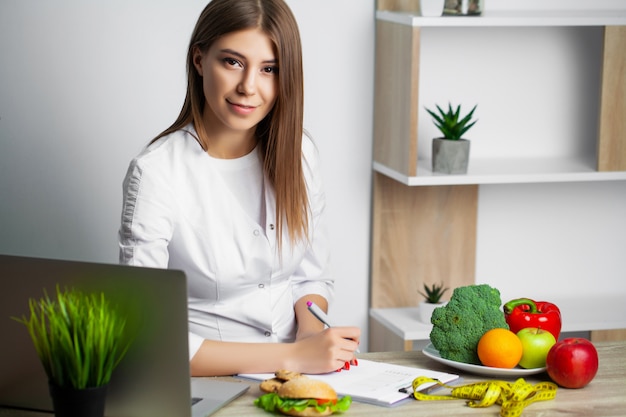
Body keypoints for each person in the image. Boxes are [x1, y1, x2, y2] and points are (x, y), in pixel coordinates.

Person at [118, 0, 360, 377]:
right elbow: (146, 335)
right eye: (232, 62)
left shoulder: (300, 154)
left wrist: (312, 335)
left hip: (297, 376)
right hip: (207, 385)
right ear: (199, 60)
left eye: (269, 69)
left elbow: (310, 276)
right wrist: (294, 357)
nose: (249, 86)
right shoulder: (155, 173)